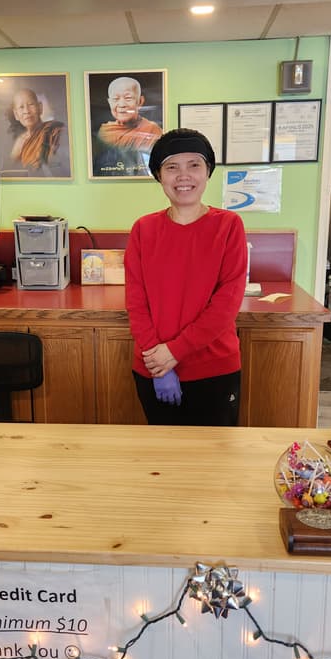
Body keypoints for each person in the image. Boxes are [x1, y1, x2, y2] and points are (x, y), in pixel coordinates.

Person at [124, 128, 248, 426]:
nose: (184, 176)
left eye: (194, 165)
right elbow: (136, 302)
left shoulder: (229, 225)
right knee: (163, 463)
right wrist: (160, 365)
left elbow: (226, 304)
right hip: (154, 369)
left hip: (214, 369)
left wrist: (173, 353)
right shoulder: (143, 229)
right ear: (159, 176)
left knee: (215, 463)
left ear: (208, 172)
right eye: (171, 167)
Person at [94, 76, 162, 176]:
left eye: (128, 98)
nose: (121, 104)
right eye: (116, 99)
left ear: (140, 101)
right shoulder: (105, 132)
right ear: (109, 102)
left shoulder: (153, 130)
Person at [9, 88, 65, 176]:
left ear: (40, 107)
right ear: (16, 115)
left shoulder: (55, 130)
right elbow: (12, 169)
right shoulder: (19, 142)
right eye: (21, 107)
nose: (27, 111)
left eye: (31, 104)